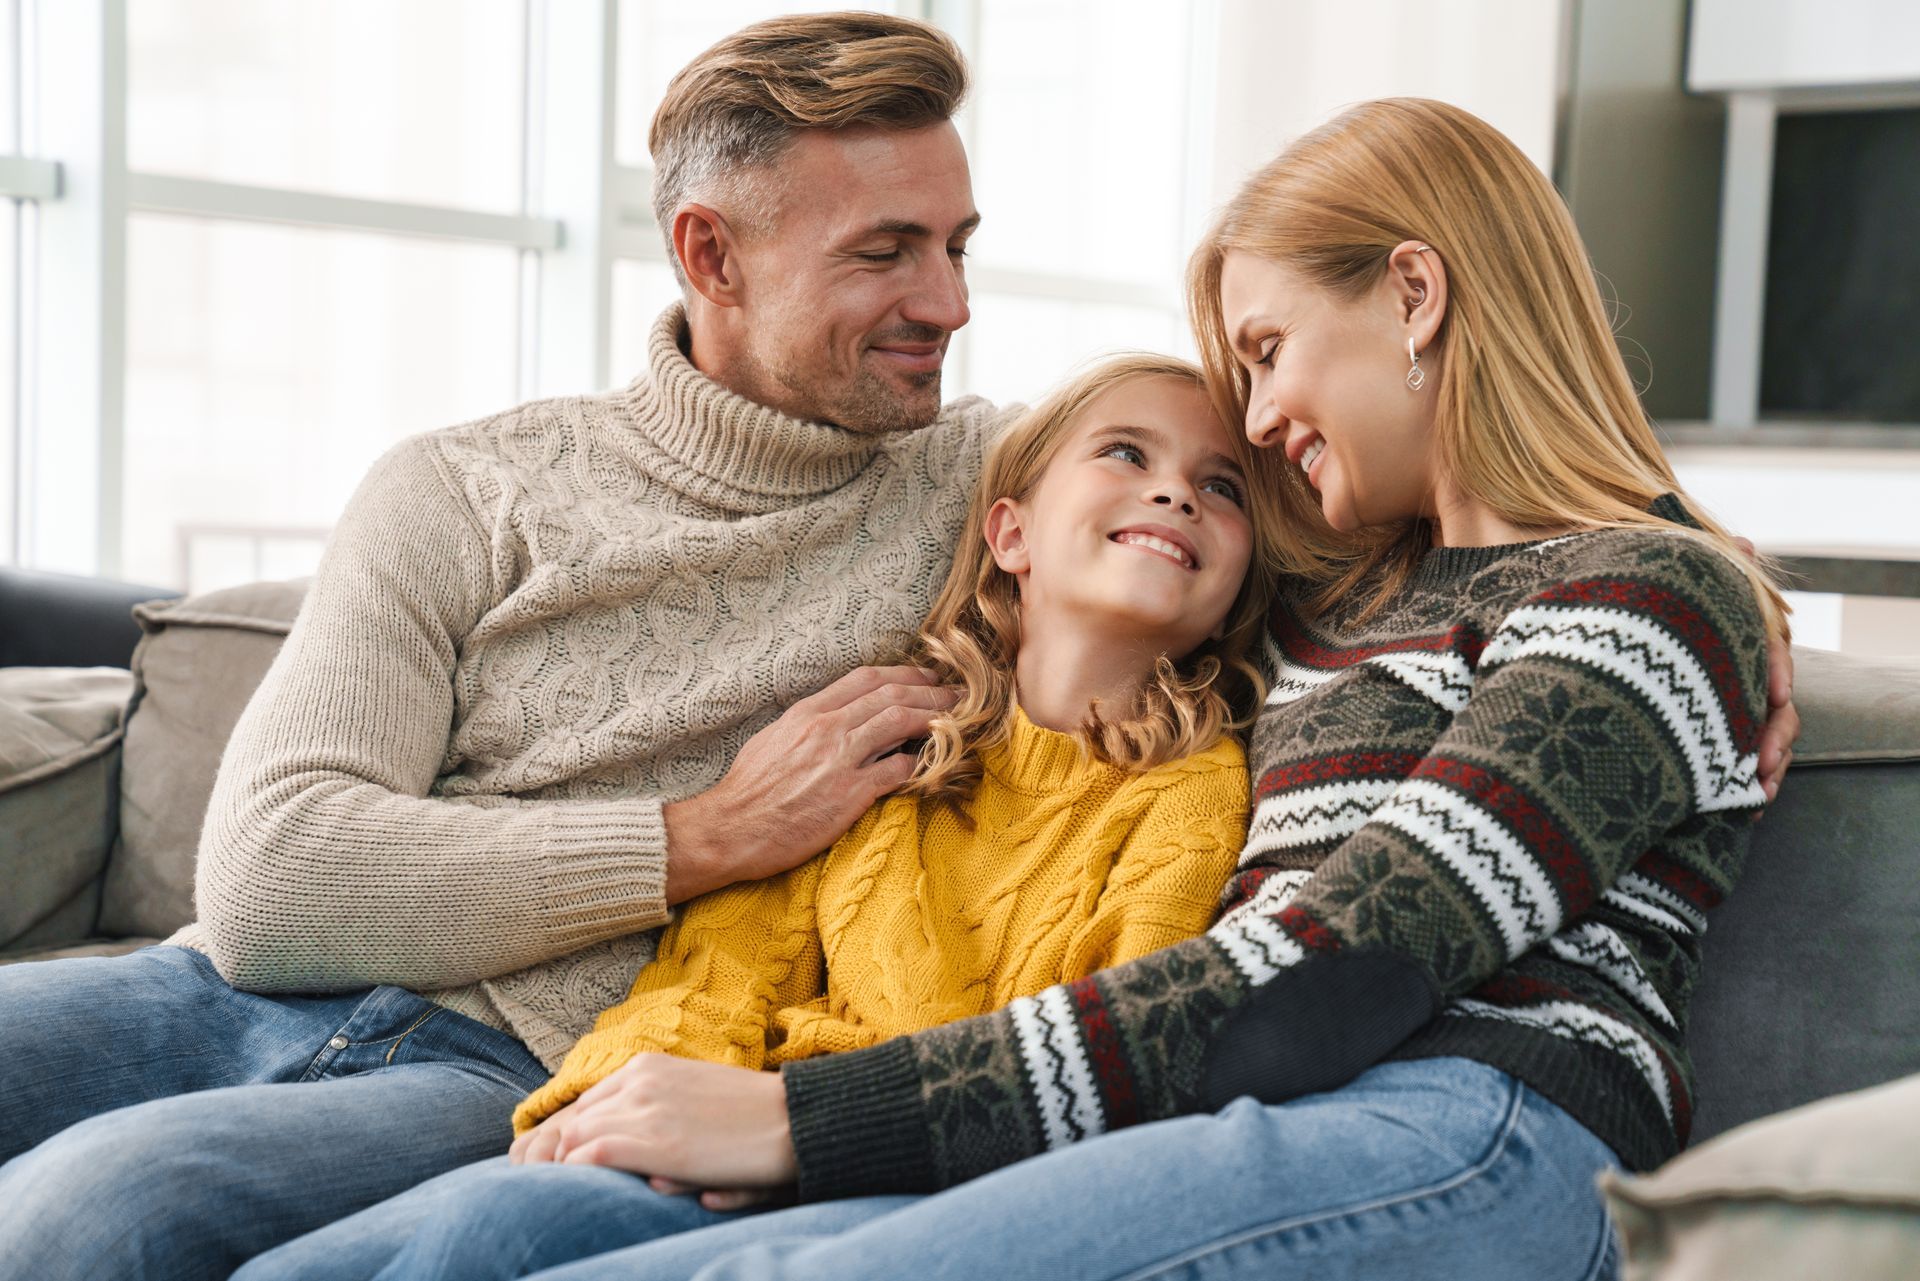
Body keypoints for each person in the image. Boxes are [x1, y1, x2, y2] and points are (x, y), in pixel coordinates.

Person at [0, 12, 1797, 1277]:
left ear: (1413, 292)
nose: (1242, 436)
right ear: (712, 251)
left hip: (1451, 1110)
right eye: (886, 250)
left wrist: (1714, 583)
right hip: (1214, 1100)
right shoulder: (1337, 589)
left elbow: (1324, 953)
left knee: (108, 1218)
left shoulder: (1598, 591)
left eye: (1260, 358)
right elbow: (270, 876)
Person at [235, 351, 1290, 1280]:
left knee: (491, 1242)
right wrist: (610, 1098)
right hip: (722, 1123)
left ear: (1239, 580)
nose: (1175, 496)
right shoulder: (895, 741)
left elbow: (1102, 1057)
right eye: (1126, 454)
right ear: (1010, 532)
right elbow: (723, 964)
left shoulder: (1190, 796)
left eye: (1221, 487)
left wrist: (799, 1133)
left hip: (886, 1167)